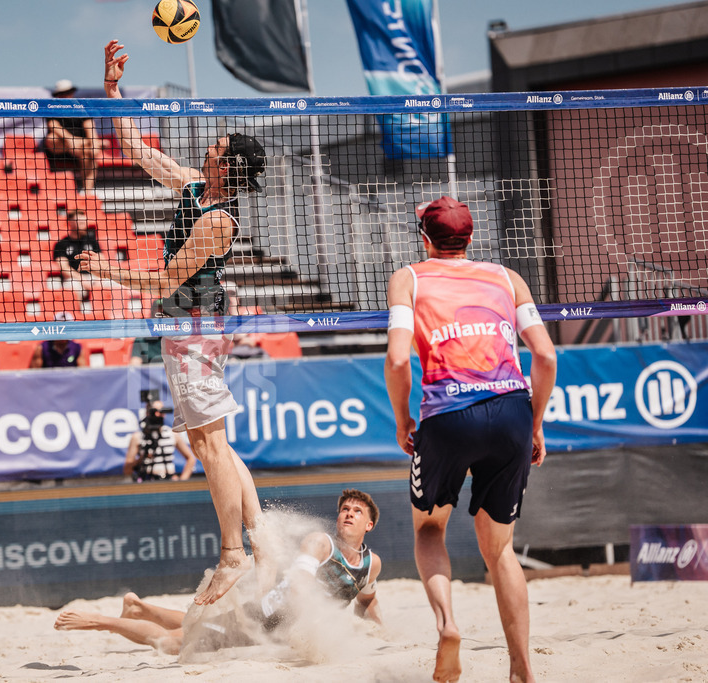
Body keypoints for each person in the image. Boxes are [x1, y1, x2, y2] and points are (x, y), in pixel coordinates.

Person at [79, 39, 268, 605]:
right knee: (219, 445)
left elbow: (165, 283)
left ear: (228, 164)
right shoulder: (191, 185)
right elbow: (136, 147)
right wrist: (113, 92)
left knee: (209, 447)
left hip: (194, 331)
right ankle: (262, 541)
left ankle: (233, 554)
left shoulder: (217, 222)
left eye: (216, 145)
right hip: (187, 327)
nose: (207, 147)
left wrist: (106, 273)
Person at [383, 196, 557, 683]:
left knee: (429, 529)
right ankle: (521, 668)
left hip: (448, 415)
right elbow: (544, 356)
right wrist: (535, 423)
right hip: (511, 413)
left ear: (424, 237)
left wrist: (402, 421)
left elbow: (398, 361)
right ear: (472, 237)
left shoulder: (409, 277)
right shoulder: (508, 277)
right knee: (500, 551)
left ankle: (448, 625)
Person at [54, 489, 383, 654]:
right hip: (266, 615)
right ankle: (100, 622)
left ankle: (140, 608)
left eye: (357, 511)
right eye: (344, 509)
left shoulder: (372, 563)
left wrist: (382, 632)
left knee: (198, 629)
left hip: (280, 629)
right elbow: (299, 586)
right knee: (179, 645)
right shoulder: (320, 542)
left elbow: (366, 602)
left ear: (369, 524)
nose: (348, 514)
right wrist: (310, 634)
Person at [44, 79, 102, 195]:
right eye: (62, 94)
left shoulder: (81, 109)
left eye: (68, 92)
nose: (66, 96)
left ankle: (87, 193)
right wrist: (70, 139)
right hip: (60, 149)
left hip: (80, 149)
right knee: (52, 139)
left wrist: (94, 144)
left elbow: (90, 128)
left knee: (89, 153)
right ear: (58, 96)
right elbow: (53, 126)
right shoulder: (51, 108)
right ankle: (94, 143)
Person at [124, 398, 196, 482]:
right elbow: (127, 469)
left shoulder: (172, 434)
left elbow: (191, 458)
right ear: (147, 413)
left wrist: (182, 480)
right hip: (147, 482)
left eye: (162, 411)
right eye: (155, 412)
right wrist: (142, 458)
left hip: (170, 481)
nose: (159, 415)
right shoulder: (138, 437)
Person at [52, 209, 102, 296]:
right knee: (72, 288)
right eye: (80, 222)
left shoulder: (92, 241)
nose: (84, 224)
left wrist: (99, 279)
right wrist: (82, 279)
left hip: (94, 276)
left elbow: (101, 261)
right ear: (70, 223)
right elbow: (64, 268)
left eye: (84, 221)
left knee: (115, 283)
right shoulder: (61, 244)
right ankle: (77, 310)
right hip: (75, 279)